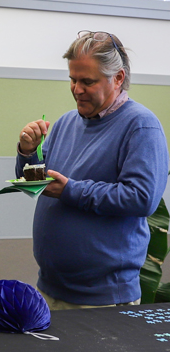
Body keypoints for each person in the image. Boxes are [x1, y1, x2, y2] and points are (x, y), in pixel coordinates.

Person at [16, 30, 169, 310]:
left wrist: (71, 190)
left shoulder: (141, 126)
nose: (77, 89)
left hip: (103, 301)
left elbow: (142, 198)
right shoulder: (65, 123)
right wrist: (28, 152)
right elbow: (33, 185)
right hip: (50, 289)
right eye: (73, 80)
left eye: (87, 81)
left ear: (118, 78)